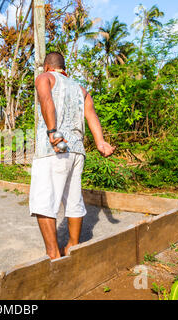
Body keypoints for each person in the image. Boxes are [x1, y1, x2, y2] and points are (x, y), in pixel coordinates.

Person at [30, 52, 116, 260]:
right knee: (73, 200)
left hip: (54, 149)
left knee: (44, 201)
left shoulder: (44, 78)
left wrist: (53, 132)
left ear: (47, 67)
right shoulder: (81, 90)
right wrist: (100, 142)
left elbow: (45, 99)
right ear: (63, 67)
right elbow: (91, 115)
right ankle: (73, 247)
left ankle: (53, 254)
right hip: (77, 151)